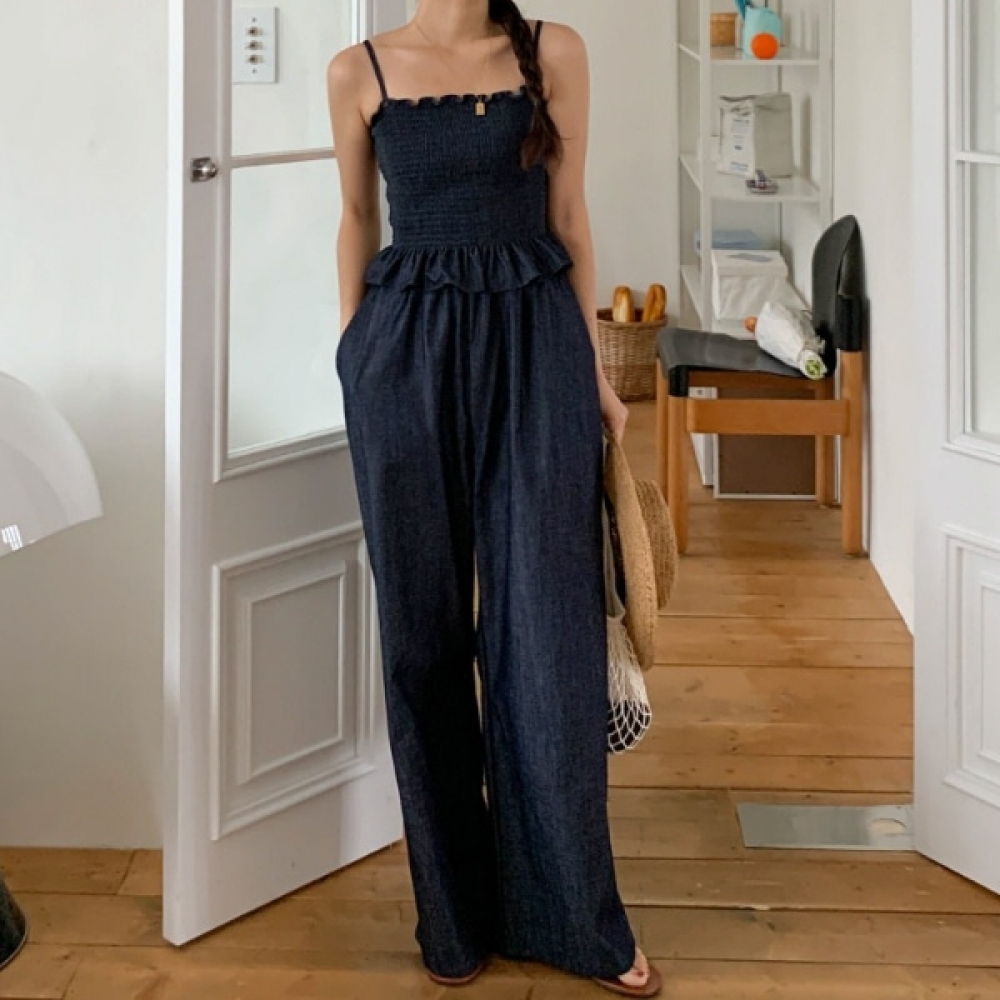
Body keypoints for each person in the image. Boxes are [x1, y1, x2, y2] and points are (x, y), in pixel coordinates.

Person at [326, 2, 661, 996]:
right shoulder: (358, 69)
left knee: (548, 635)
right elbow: (357, 219)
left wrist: (595, 373)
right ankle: (454, 917)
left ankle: (574, 920)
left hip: (536, 352)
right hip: (403, 363)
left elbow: (570, 216)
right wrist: (353, 356)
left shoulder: (554, 51)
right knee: (422, 641)